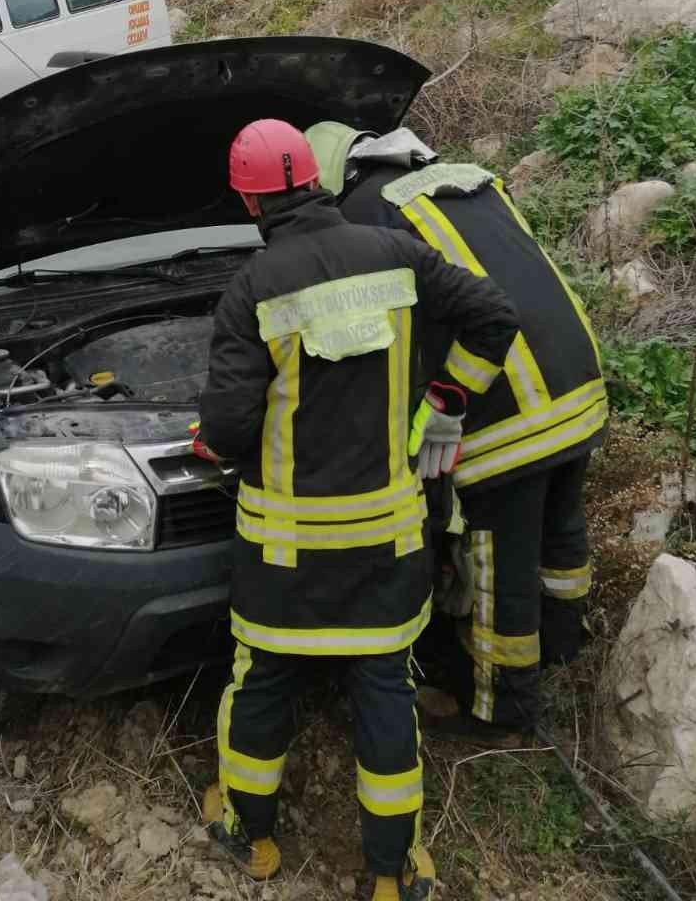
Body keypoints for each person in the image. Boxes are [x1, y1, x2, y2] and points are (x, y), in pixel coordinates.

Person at [198, 119, 519, 900]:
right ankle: (390, 872)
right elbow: (494, 315)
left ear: (249, 200)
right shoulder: (397, 255)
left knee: (264, 679)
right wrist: (449, 396)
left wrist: (212, 441)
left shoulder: (253, 290)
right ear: (317, 179)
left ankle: (251, 832)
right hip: (386, 543)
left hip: (285, 556)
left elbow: (233, 427)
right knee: (384, 689)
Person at [304, 121, 608, 742]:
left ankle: (504, 712)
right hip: (577, 382)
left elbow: (376, 334)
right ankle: (565, 647)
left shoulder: (363, 215)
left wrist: (440, 400)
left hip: (507, 411)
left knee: (501, 567)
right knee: (562, 529)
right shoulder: (465, 180)